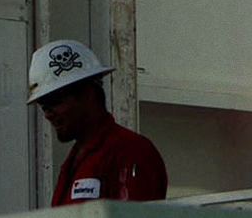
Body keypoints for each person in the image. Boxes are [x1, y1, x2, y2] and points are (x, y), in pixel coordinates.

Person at [28, 39, 167, 206]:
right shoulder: (74, 162)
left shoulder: (131, 151)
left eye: (53, 102)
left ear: (87, 94)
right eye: (44, 107)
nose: (48, 114)